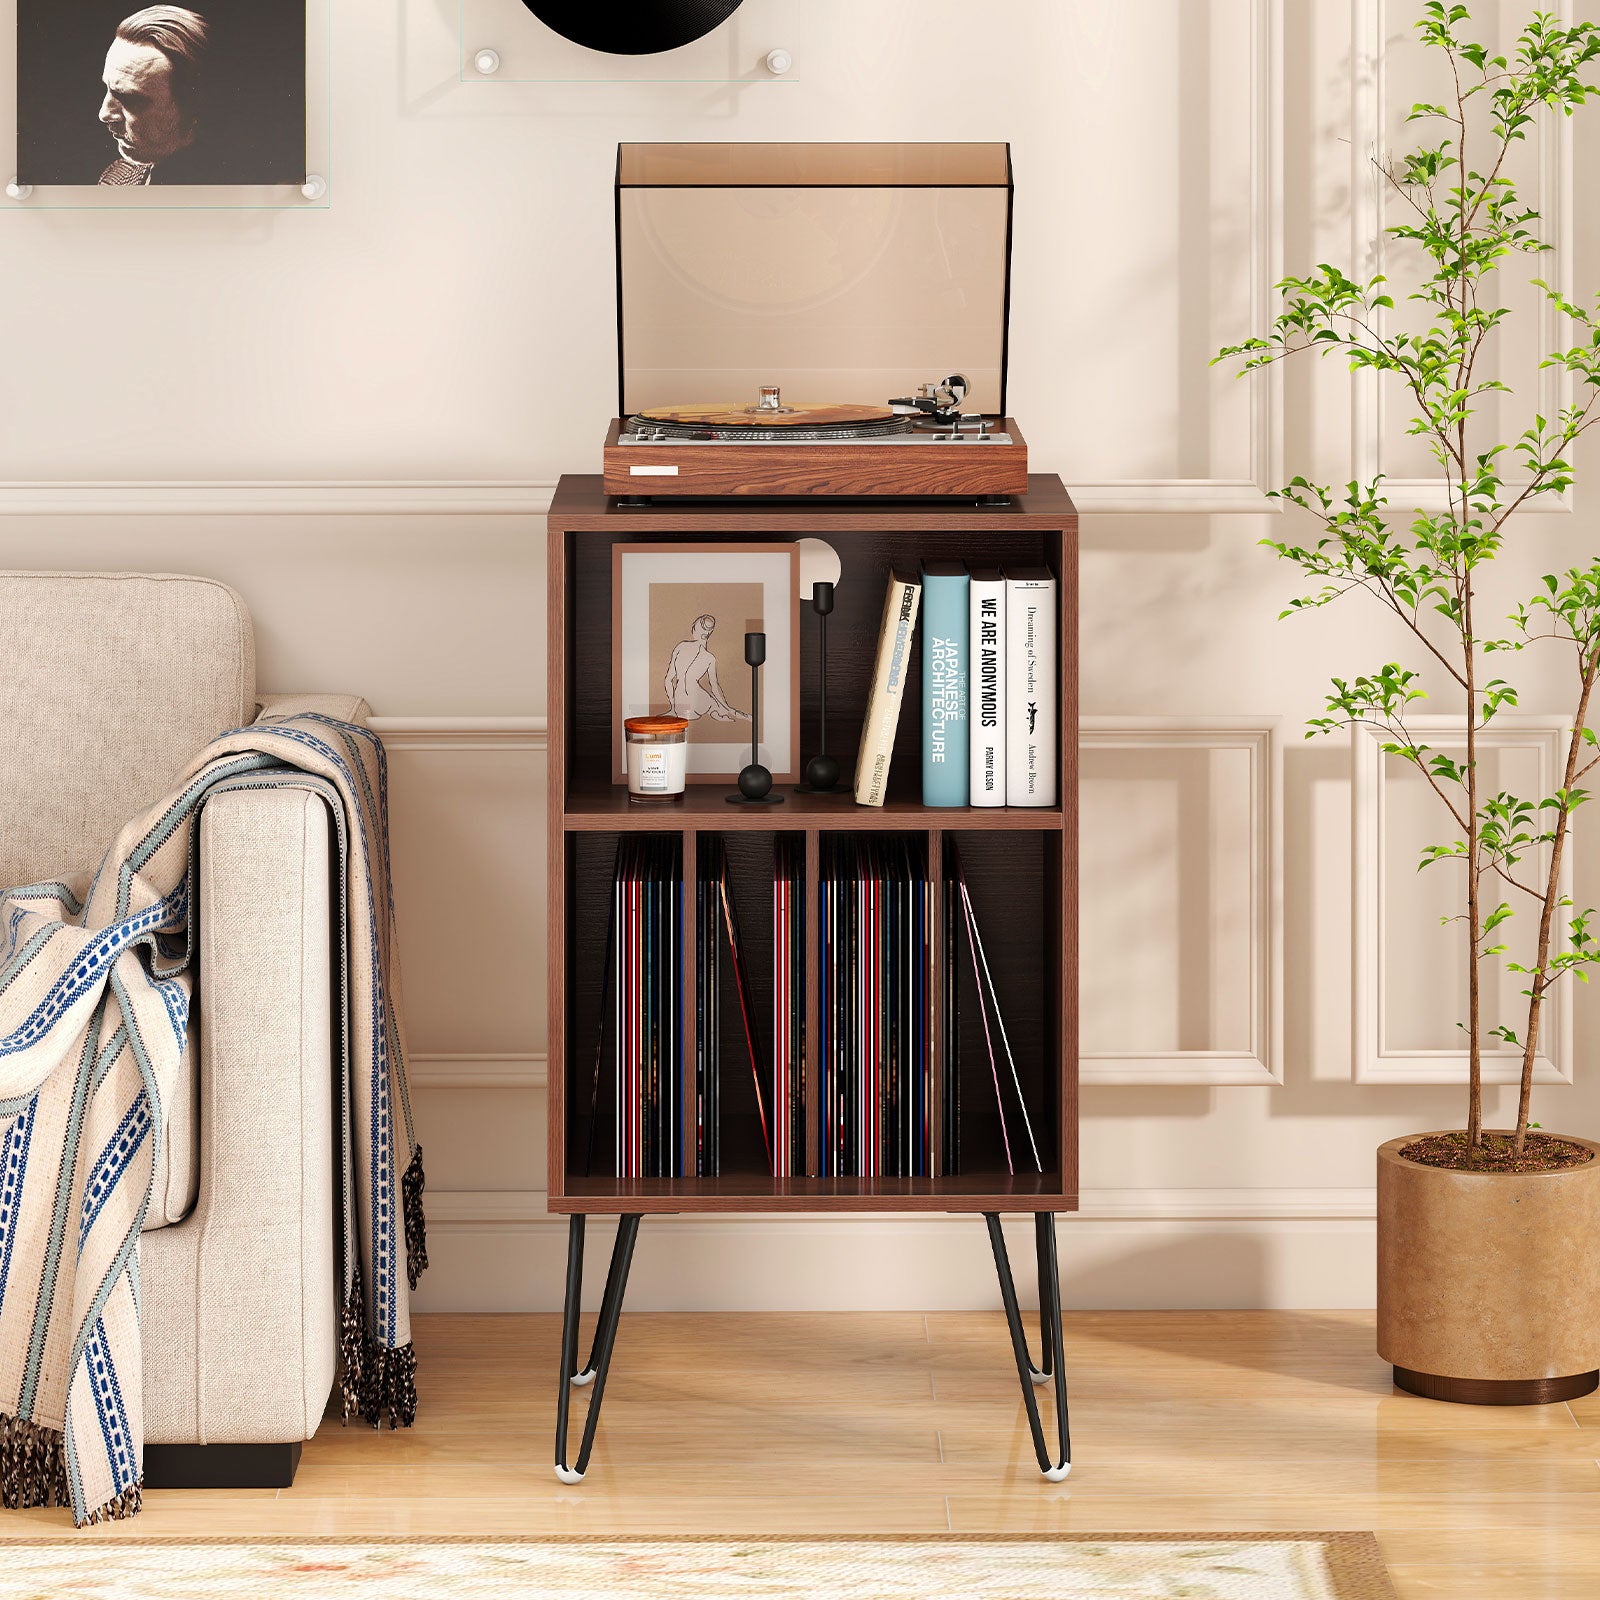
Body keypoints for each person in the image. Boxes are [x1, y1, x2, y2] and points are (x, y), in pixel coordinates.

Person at [97, 7, 213, 186]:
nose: (104, 114)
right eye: (108, 89)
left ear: (193, 108)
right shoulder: (115, 179)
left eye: (130, 100)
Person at [664, 615, 750, 725]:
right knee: (714, 701)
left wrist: (673, 707)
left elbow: (668, 680)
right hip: (695, 707)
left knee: (706, 697)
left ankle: (717, 711)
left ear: (694, 629)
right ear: (708, 635)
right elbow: (714, 688)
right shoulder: (709, 658)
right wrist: (729, 708)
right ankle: (720, 711)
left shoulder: (680, 647)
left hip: (680, 707)